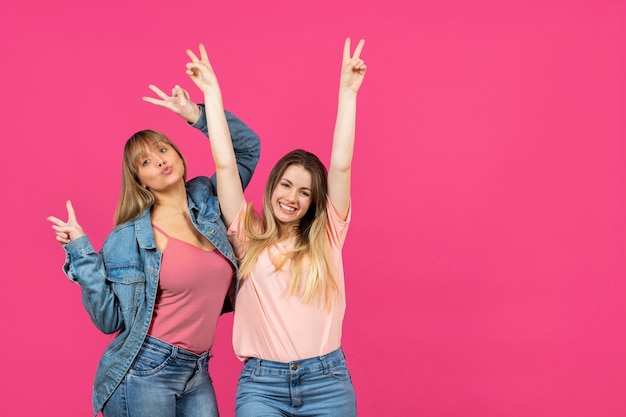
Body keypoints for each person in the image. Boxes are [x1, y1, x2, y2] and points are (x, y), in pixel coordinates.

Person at [46, 85, 260, 417]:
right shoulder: (128, 237)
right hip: (144, 371)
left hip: (198, 369)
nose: (159, 161)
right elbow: (109, 320)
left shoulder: (210, 202)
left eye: (163, 149)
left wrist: (197, 116)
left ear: (177, 154)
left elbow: (247, 149)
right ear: (141, 181)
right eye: (146, 161)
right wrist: (81, 251)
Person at [184, 37, 366, 417]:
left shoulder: (329, 236)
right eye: (286, 184)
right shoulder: (247, 239)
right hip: (262, 386)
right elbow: (225, 166)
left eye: (304, 192)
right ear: (272, 187)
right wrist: (211, 95)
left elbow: (342, 166)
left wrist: (347, 93)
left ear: (315, 201)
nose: (292, 197)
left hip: (327, 383)